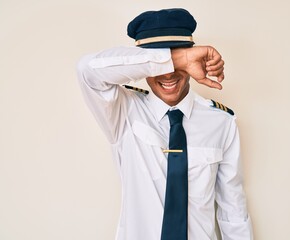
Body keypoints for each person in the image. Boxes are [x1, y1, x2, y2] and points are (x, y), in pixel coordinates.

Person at [77, 8, 253, 240]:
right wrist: (175, 60)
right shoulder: (122, 111)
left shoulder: (222, 121)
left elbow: (233, 210)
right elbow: (87, 70)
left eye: (178, 60)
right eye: (160, 62)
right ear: (145, 64)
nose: (168, 75)